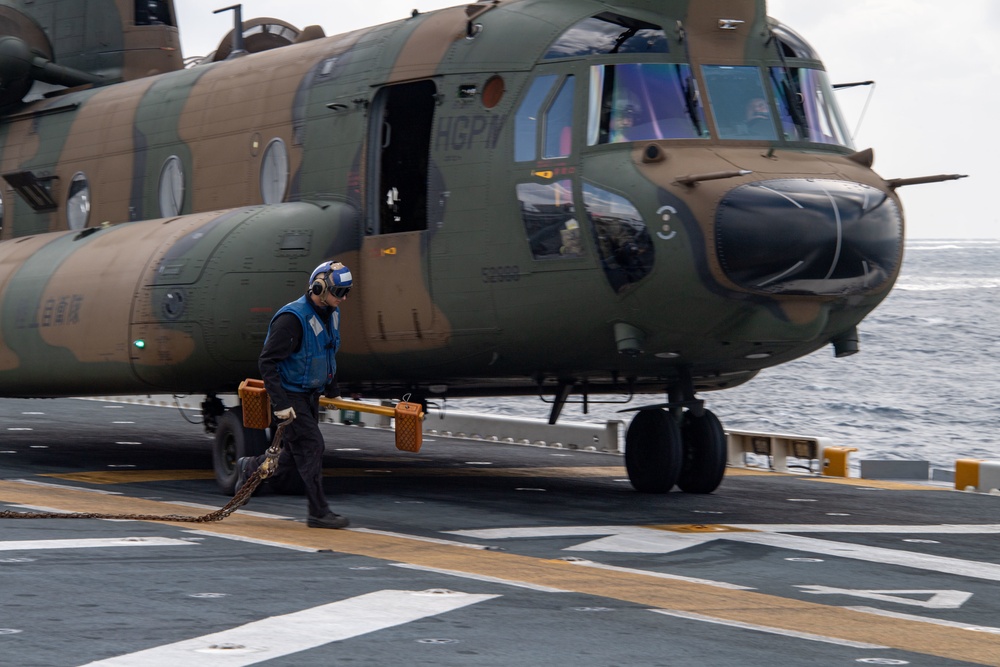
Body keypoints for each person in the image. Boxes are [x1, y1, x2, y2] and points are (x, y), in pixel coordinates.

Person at [234, 260, 353, 529]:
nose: (342, 299)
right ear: (319, 287)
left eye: (346, 293)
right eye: (338, 292)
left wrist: (332, 390)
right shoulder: (291, 319)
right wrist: (281, 403)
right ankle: (318, 512)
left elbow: (328, 351)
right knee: (312, 446)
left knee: (291, 456)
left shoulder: (332, 313)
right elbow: (268, 362)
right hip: (290, 395)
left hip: (310, 395)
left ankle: (250, 467)